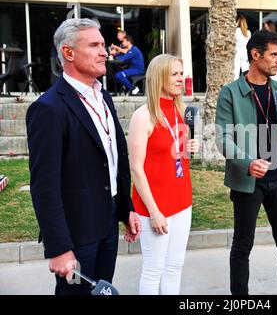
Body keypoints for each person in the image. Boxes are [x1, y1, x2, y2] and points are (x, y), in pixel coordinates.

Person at [26, 18, 141, 295]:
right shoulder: (49, 109)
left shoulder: (104, 97)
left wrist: (126, 208)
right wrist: (59, 248)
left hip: (108, 221)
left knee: (101, 291)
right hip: (76, 234)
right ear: (68, 53)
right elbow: (44, 186)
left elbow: (113, 158)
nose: (104, 52)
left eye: (103, 45)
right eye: (94, 45)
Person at [215, 30, 277, 295]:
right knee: (243, 245)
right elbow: (222, 137)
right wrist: (247, 162)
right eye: (274, 55)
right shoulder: (231, 92)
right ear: (255, 55)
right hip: (247, 182)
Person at [128, 54, 200, 295]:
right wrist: (154, 212)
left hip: (182, 200)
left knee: (175, 266)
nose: (181, 79)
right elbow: (136, 169)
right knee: (153, 269)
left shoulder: (181, 111)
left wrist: (190, 148)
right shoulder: (143, 116)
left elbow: (177, 157)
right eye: (175, 74)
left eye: (182, 73)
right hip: (154, 205)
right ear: (159, 77)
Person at [234, 15, 251, 80]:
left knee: (235, 74)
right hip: (245, 54)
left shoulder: (236, 31)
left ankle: (235, 89)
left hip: (237, 54)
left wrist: (235, 25)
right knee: (246, 73)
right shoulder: (248, 32)